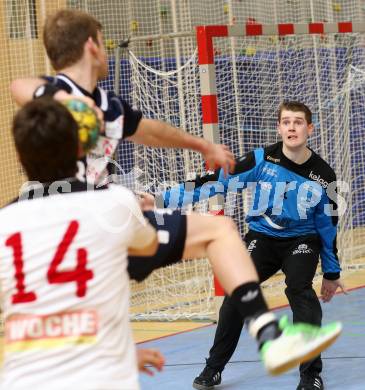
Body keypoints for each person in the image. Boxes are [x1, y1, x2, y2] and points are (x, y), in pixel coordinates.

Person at [10, 10, 343, 381]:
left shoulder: (107, 106)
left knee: (80, 290)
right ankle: (267, 336)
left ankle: (292, 358)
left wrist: (201, 145)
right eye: (104, 44)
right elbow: (19, 86)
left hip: (83, 217)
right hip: (94, 212)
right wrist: (61, 99)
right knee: (220, 234)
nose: (107, 52)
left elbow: (150, 130)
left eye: (298, 122)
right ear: (92, 46)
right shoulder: (67, 96)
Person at [161, 101, 347, 390]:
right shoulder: (262, 159)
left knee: (300, 291)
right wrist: (163, 201)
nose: (292, 127)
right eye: (286, 122)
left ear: (309, 128)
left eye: (298, 122)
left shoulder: (324, 175)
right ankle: (213, 369)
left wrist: (332, 274)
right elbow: (215, 182)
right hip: (262, 237)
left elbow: (327, 227)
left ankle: (310, 376)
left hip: (302, 240)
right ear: (279, 128)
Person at [0, 99, 160, 389]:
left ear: (20, 158)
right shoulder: (115, 202)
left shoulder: (4, 223)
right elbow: (149, 247)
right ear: (79, 148)